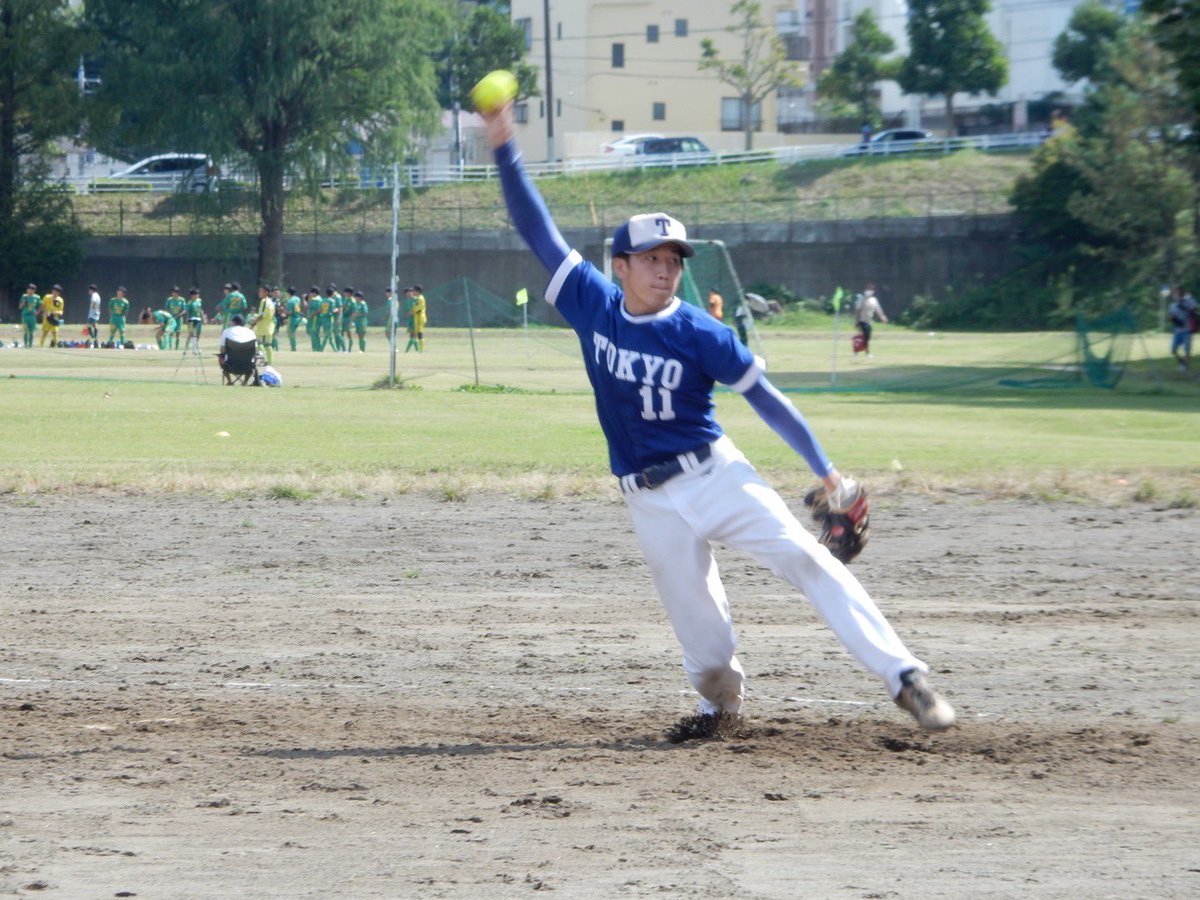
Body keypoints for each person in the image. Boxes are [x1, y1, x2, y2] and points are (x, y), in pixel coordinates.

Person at [482, 99, 954, 739]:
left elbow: (767, 398)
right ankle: (720, 713)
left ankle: (906, 677)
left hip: (714, 475)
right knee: (704, 644)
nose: (665, 270)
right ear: (619, 266)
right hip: (646, 498)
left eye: (674, 259)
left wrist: (827, 472)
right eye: (651, 258)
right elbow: (534, 228)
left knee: (806, 558)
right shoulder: (592, 303)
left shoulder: (700, 332)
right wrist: (504, 143)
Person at [217, 313, 258, 383]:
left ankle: (229, 381)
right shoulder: (251, 332)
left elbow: (222, 350)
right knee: (252, 359)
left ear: (233, 322)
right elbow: (255, 350)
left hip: (230, 364)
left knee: (221, 356)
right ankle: (245, 382)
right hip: (247, 365)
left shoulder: (226, 331)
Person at [1168, 285, 1198, 373]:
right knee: (1173, 350)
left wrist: (1185, 307)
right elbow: (1171, 316)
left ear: (1182, 293)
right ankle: (1181, 362)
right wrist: (1172, 319)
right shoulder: (1172, 305)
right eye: (1175, 292)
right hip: (1177, 330)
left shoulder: (1188, 301)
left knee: (1187, 349)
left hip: (1187, 329)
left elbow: (1195, 309)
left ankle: (1185, 366)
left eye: (1178, 292)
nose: (1177, 294)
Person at [854, 283, 888, 357]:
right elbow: (858, 311)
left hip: (869, 321)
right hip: (862, 320)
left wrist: (882, 317)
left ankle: (859, 351)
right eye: (868, 289)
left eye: (871, 290)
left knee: (867, 337)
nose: (869, 291)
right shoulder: (861, 299)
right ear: (865, 290)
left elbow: (878, 309)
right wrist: (856, 321)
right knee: (864, 336)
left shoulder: (874, 300)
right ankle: (866, 352)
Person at [250, 284, 276, 364]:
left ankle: (266, 360)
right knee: (267, 345)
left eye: (261, 291)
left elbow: (262, 315)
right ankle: (268, 361)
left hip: (264, 327)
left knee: (260, 344)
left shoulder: (264, 301)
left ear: (266, 292)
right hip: (268, 326)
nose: (259, 293)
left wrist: (253, 323)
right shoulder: (270, 302)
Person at [404, 285, 426, 352]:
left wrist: (411, 312)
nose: (412, 292)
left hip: (419, 317)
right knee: (416, 334)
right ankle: (419, 350)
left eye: (413, 291)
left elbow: (418, 309)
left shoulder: (419, 298)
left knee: (418, 334)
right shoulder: (418, 298)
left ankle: (420, 350)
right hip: (416, 318)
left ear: (417, 291)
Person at [164, 286, 187, 350]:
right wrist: (169, 316)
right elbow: (166, 309)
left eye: (174, 292)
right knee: (170, 332)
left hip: (178, 319)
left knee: (177, 333)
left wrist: (179, 315)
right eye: (172, 292)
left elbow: (185, 310)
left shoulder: (182, 300)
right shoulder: (169, 300)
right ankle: (170, 347)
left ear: (177, 293)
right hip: (171, 319)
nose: (173, 293)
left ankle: (176, 348)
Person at [18, 283, 40, 348]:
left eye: (31, 289)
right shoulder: (24, 296)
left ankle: (30, 345)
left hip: (33, 316)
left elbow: (41, 306)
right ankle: (25, 345)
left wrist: (38, 312)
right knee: (26, 331)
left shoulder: (37, 297)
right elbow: (20, 307)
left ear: (34, 290)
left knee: (31, 331)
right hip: (25, 316)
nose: (29, 290)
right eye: (28, 289)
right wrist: (23, 302)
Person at [285, 286, 305, 351]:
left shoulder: (290, 301)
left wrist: (285, 313)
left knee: (290, 333)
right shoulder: (298, 299)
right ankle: (293, 347)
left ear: (288, 293)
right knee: (292, 333)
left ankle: (293, 348)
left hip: (292, 318)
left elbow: (289, 312)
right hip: (298, 317)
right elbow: (298, 307)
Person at [86, 284, 102, 349]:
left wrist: (93, 308)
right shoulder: (98, 295)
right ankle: (94, 338)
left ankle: (94, 338)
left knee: (90, 326)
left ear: (91, 290)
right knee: (93, 325)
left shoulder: (94, 295)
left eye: (89, 290)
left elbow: (94, 302)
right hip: (96, 313)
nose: (89, 291)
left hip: (93, 313)